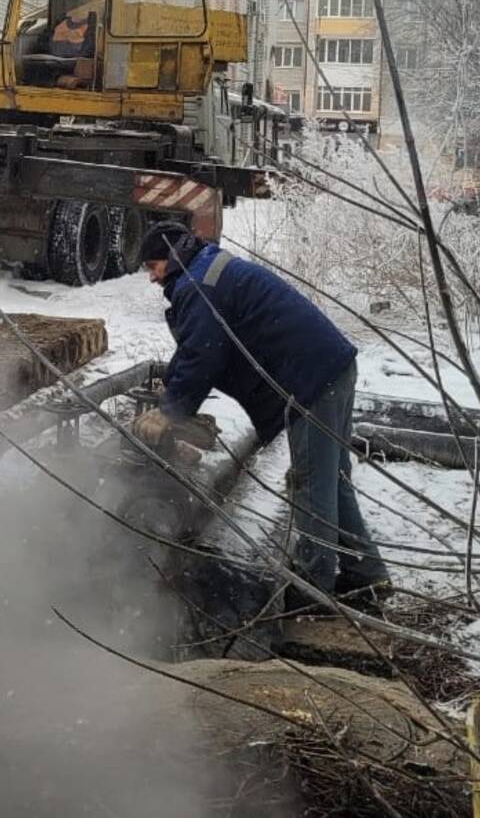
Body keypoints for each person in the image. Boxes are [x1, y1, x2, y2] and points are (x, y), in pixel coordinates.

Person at [132, 221, 391, 612]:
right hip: (330, 367)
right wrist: (172, 385)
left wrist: (170, 409)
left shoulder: (198, 284)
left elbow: (203, 352)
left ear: (172, 256)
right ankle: (367, 573)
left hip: (311, 380)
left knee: (311, 484)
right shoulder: (207, 268)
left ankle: (312, 589)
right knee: (333, 480)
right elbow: (199, 347)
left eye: (153, 266)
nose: (152, 278)